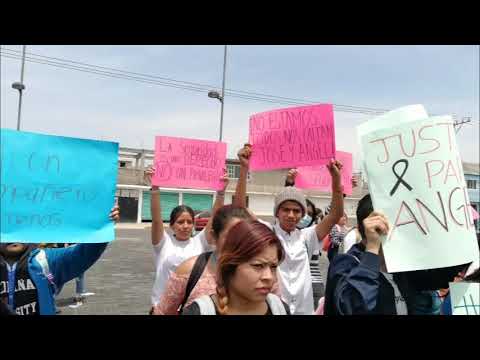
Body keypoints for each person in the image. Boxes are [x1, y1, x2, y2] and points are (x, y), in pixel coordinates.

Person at [153, 145, 281, 315]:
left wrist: (241, 172)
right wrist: (154, 188)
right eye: (233, 236)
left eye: (271, 266)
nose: (267, 275)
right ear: (214, 236)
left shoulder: (266, 279)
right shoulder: (189, 271)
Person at [236, 148, 345, 314]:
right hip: (274, 308)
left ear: (302, 214)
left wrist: (336, 180)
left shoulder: (307, 237)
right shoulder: (267, 232)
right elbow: (240, 209)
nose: (291, 215)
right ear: (277, 212)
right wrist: (244, 168)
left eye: (296, 210)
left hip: (304, 309)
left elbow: (335, 214)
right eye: (286, 209)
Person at [324, 194, 468, 315]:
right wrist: (373, 248)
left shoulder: (399, 267)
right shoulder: (346, 263)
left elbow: (438, 277)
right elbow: (352, 306)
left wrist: (460, 245)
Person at [0, 207, 119, 315]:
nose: (13, 237)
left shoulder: (45, 260)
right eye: (7, 229)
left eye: (19, 229)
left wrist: (102, 227)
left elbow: (84, 254)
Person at [144, 166, 228, 311]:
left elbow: (215, 216)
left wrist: (221, 191)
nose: (185, 226)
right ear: (171, 225)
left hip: (194, 309)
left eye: (189, 222)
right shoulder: (163, 243)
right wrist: (155, 187)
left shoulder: (200, 242)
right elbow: (156, 218)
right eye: (180, 222)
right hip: (163, 309)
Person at [182, 220, 289, 315]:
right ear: (230, 267)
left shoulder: (280, 309)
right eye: (258, 266)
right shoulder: (199, 311)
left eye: (273, 267)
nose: (269, 277)